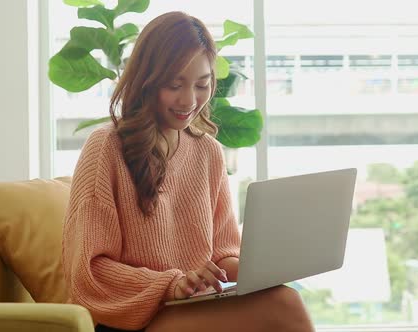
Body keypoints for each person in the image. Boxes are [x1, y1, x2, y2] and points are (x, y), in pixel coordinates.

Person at [61, 11, 315, 332]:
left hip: (188, 307)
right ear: (147, 82)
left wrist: (265, 268)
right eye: (174, 85)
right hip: (127, 317)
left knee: (284, 297)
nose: (188, 100)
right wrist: (172, 284)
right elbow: (89, 271)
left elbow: (222, 254)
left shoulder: (207, 151)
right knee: (284, 307)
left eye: (202, 84)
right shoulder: (106, 147)